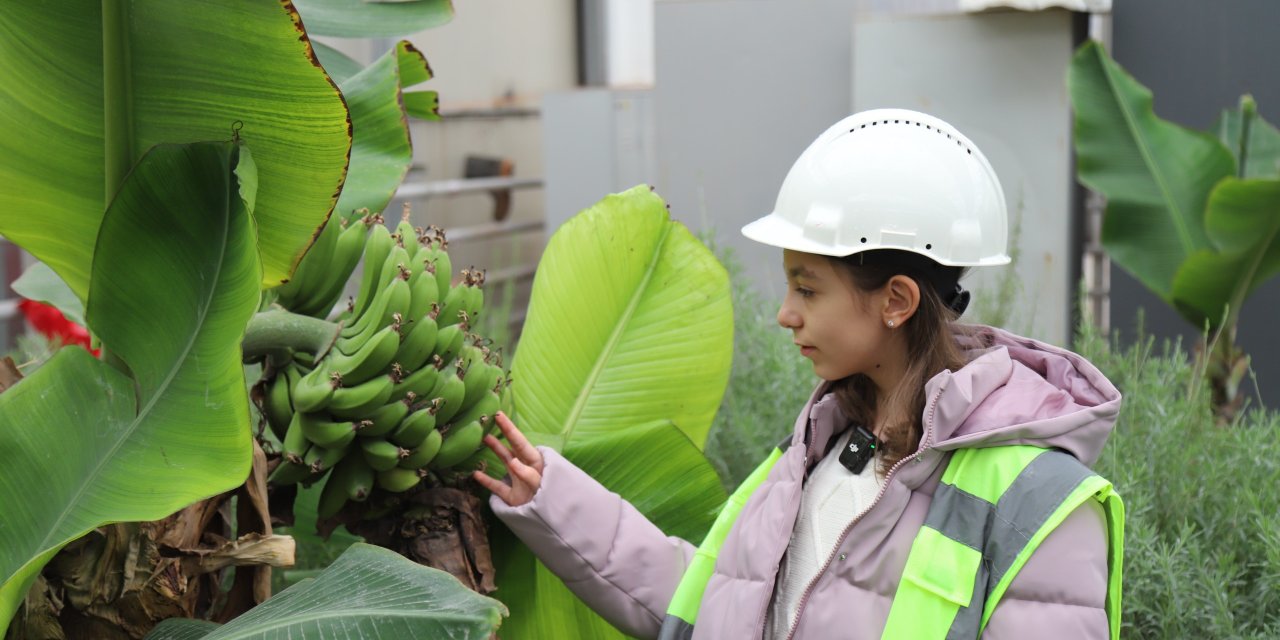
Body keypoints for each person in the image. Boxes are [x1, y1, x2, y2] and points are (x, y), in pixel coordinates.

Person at [473, 108, 1124, 640]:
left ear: (896, 300)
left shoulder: (1040, 506)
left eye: (807, 289)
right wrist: (550, 499)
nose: (784, 314)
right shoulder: (824, 450)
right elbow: (713, 604)